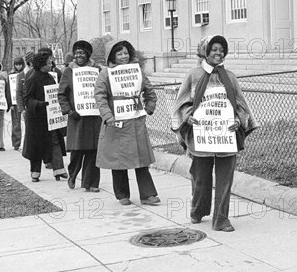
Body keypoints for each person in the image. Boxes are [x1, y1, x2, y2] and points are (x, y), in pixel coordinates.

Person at [171, 35, 258, 232]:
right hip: (201, 137)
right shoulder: (193, 75)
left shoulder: (231, 77)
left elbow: (240, 105)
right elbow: (182, 102)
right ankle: (198, 210)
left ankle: (221, 219)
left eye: (221, 50)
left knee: (225, 178)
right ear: (205, 51)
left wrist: (238, 120)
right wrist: (188, 116)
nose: (218, 53)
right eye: (214, 49)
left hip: (226, 138)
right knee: (201, 177)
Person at [94, 40, 160, 206]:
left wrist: (149, 108)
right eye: (119, 54)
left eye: (125, 53)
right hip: (115, 123)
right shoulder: (105, 74)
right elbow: (100, 97)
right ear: (112, 56)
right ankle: (122, 194)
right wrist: (108, 116)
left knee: (141, 160)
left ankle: (148, 194)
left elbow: (150, 92)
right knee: (119, 161)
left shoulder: (137, 72)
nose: (123, 56)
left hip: (135, 121)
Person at [58, 41, 102, 192]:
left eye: (82, 53)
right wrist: (69, 110)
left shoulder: (97, 69)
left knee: (93, 150)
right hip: (76, 117)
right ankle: (72, 174)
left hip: (94, 116)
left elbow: (103, 90)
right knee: (77, 150)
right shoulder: (68, 71)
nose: (78, 56)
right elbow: (62, 94)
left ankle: (91, 183)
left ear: (87, 54)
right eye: (76, 53)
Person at [22, 51, 68, 182]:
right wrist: (40, 104)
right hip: (36, 118)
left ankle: (59, 169)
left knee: (55, 142)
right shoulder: (32, 78)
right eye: (48, 63)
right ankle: (35, 173)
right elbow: (27, 99)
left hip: (50, 117)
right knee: (36, 146)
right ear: (41, 64)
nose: (51, 65)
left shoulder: (50, 77)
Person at [9, 56, 25, 150]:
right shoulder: (11, 75)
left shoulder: (25, 74)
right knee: (16, 124)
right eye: (16, 65)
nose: (18, 67)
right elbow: (8, 90)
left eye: (20, 64)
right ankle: (16, 143)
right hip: (14, 103)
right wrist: (10, 103)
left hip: (24, 102)